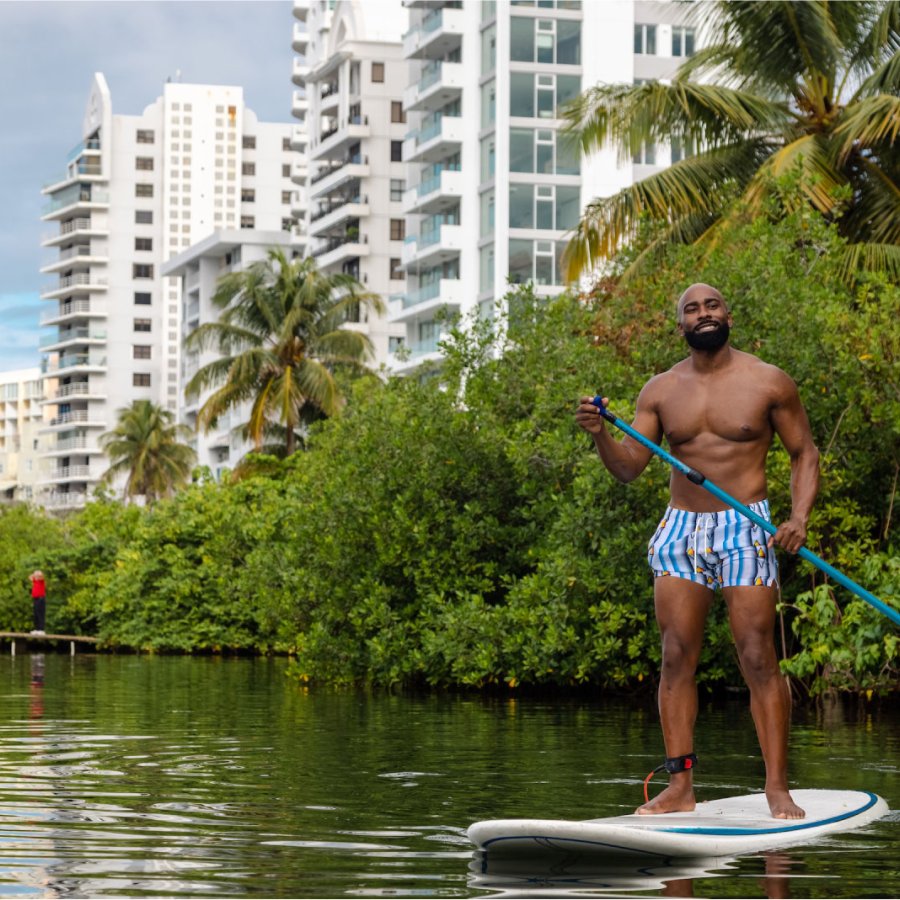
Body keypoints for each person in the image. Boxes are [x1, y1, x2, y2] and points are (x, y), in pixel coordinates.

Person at [575, 283, 819, 820]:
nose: (703, 314)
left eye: (711, 305)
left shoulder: (768, 381)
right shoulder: (660, 391)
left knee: (757, 655)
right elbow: (628, 468)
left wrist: (797, 518)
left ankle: (776, 788)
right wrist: (599, 435)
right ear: (680, 326)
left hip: (746, 524)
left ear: (728, 314)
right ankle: (680, 788)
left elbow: (804, 453)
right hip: (681, 530)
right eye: (692, 309)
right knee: (675, 656)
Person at [29, 570, 46, 635]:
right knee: (36, 614)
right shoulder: (35, 581)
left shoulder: (41, 581)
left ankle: (41, 629)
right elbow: (30, 577)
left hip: (40, 598)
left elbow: (42, 576)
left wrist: (38, 574)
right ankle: (37, 629)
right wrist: (34, 574)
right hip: (35, 599)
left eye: (37, 575)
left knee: (40, 614)